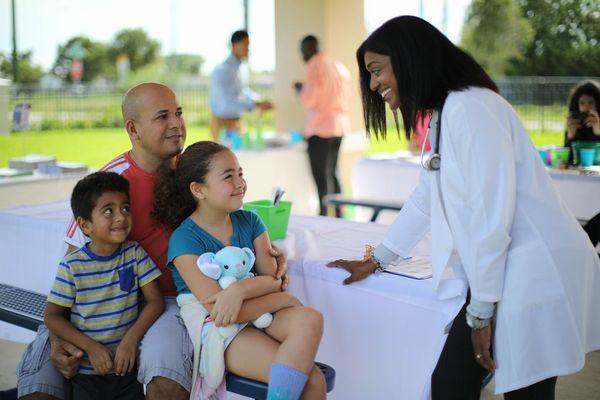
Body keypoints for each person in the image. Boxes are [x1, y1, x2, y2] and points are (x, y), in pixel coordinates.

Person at [328, 16, 600, 399]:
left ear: (409, 59)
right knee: (455, 385)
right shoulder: (448, 110)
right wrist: (377, 260)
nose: (373, 84)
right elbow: (428, 196)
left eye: (376, 70)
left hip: (535, 267)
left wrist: (482, 310)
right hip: (504, 269)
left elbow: (492, 216)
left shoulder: (471, 108)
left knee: (518, 390)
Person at [16, 82, 288, 400]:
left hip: (171, 301)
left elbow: (233, 218)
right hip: (102, 301)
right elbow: (74, 261)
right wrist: (60, 334)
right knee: (40, 386)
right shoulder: (111, 183)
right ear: (133, 129)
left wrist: (266, 251)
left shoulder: (196, 171)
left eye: (179, 113)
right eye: (162, 116)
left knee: (167, 384)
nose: (176, 123)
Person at [152, 140, 327, 399]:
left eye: (240, 173)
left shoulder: (251, 221)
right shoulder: (184, 239)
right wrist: (283, 298)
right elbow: (222, 312)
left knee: (312, 319)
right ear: (198, 190)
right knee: (312, 382)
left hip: (258, 312)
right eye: (228, 177)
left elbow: (274, 278)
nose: (240, 183)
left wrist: (241, 289)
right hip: (220, 331)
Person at [44, 171, 164, 399]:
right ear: (85, 225)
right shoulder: (72, 266)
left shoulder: (134, 253)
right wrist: (91, 347)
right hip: (87, 373)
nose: (121, 217)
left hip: (126, 368)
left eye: (125, 208)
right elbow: (52, 316)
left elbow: (155, 302)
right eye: (108, 211)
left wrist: (130, 341)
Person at [294, 35, 350, 217]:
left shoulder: (314, 66)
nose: (302, 55)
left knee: (321, 177)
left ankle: (324, 215)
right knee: (333, 172)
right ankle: (340, 214)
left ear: (310, 48)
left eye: (303, 51)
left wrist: (300, 90)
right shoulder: (337, 65)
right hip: (339, 126)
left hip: (321, 128)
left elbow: (310, 99)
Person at [209, 30, 273, 141]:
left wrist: (258, 101)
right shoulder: (222, 70)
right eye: (245, 45)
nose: (248, 49)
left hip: (237, 122)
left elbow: (242, 92)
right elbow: (227, 100)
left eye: (248, 45)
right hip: (222, 123)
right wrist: (255, 104)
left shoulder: (240, 69)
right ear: (234, 45)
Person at [564, 80, 600, 163]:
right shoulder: (574, 125)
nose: (586, 107)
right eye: (582, 103)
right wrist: (570, 137)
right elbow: (567, 160)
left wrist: (598, 132)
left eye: (590, 102)